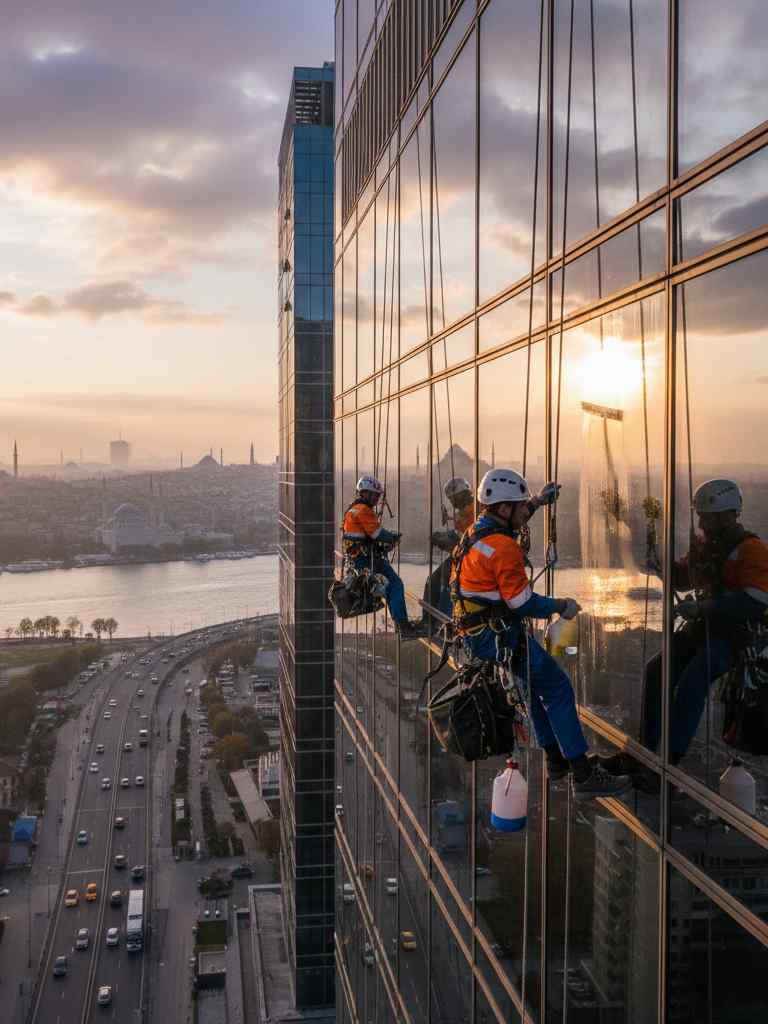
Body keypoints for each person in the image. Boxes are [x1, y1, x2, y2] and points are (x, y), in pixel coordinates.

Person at [451, 468, 632, 799]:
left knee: (532, 689)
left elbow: (512, 519)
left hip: (480, 634)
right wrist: (562, 605)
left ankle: (556, 760)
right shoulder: (502, 547)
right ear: (504, 508)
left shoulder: (477, 532)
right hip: (498, 636)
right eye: (521, 506)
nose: (525, 511)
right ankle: (583, 775)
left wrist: (537, 502)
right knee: (558, 688)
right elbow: (522, 602)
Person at [604, 478, 768, 787]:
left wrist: (704, 608)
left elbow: (756, 600)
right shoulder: (706, 548)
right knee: (655, 671)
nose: (702, 524)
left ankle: (667, 765)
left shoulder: (752, 550)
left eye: (708, 518)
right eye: (701, 517)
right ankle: (644, 754)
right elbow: (682, 578)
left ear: (729, 516)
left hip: (732, 637)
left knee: (693, 682)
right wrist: (655, 558)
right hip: (704, 628)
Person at [342, 475, 424, 639]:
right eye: (374, 495)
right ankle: (404, 627)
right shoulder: (363, 510)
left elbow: (365, 536)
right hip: (367, 561)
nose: (377, 499)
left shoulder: (352, 509)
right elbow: (377, 534)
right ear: (365, 493)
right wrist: (392, 537)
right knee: (395, 585)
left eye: (378, 496)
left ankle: (401, 624)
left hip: (359, 560)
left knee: (389, 588)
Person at [422, 477, 476, 622]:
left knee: (446, 585)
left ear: (464, 495)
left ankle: (441, 621)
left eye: (454, 498)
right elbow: (459, 535)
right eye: (451, 499)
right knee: (433, 581)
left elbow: (465, 539)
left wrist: (444, 539)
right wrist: (443, 537)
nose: (453, 503)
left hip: (469, 559)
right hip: (460, 557)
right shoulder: (463, 513)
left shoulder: (476, 512)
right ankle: (429, 621)